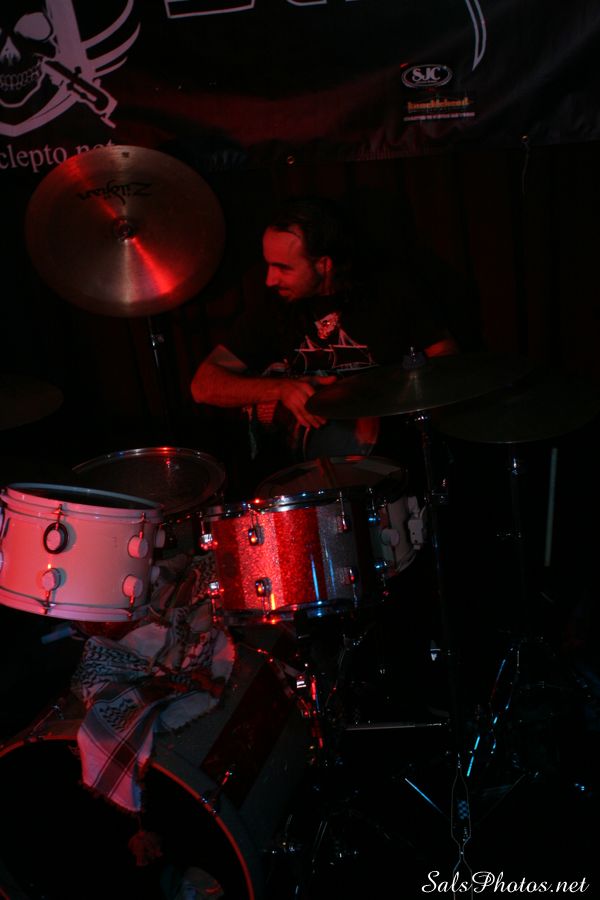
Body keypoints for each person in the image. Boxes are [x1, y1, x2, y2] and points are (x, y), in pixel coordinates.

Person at [191, 195, 461, 491]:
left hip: (391, 469)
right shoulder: (275, 307)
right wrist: (282, 389)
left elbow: (446, 358)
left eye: (283, 268)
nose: (270, 279)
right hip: (306, 480)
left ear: (324, 264)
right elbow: (203, 385)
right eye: (268, 265)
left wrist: (382, 403)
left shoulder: (390, 293)